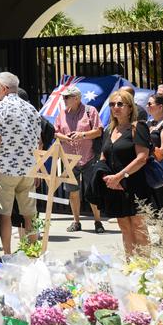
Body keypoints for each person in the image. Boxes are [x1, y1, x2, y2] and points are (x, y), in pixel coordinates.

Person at [0, 72, 41, 255]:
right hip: (29, 168)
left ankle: (7, 253)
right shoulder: (31, 109)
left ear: (4, 88)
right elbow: (39, 141)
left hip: (6, 168)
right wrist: (38, 168)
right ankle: (33, 252)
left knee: (4, 213)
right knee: (29, 213)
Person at [100, 88, 152, 256]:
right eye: (112, 104)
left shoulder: (138, 127)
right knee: (124, 226)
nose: (116, 107)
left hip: (134, 183)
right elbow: (103, 157)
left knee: (138, 225)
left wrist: (119, 176)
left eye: (120, 104)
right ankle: (131, 264)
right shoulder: (110, 130)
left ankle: (145, 267)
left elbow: (142, 157)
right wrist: (107, 178)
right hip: (114, 186)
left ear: (130, 107)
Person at [53, 85, 105, 233]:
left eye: (66, 97)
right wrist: (65, 137)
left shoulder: (90, 111)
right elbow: (56, 132)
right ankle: (76, 222)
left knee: (93, 191)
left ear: (76, 98)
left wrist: (82, 135)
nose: (64, 100)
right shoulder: (62, 113)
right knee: (73, 192)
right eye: (63, 97)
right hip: (69, 159)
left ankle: (98, 221)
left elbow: (98, 131)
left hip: (89, 157)